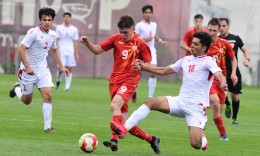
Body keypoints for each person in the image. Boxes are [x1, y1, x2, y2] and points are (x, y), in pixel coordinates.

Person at [110, 32, 228, 152]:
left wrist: (223, 82)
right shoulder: (185, 60)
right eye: (192, 43)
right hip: (179, 102)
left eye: (195, 44)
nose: (191, 45)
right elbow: (164, 70)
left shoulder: (209, 61)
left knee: (195, 144)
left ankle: (203, 141)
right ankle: (124, 128)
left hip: (195, 109)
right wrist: (144, 67)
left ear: (204, 48)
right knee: (150, 102)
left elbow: (219, 74)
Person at [80, 15, 161, 154]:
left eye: (126, 32)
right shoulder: (115, 38)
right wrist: (87, 43)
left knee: (114, 105)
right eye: (121, 32)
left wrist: (141, 65)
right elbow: (98, 50)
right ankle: (152, 139)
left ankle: (114, 140)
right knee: (124, 122)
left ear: (133, 29)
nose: (123, 35)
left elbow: (148, 63)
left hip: (130, 80)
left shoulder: (141, 43)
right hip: (114, 81)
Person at [9, 7, 70, 133]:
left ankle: (47, 127)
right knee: (27, 101)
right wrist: (27, 66)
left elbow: (54, 51)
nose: (47, 22)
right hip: (27, 71)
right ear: (40, 20)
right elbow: (21, 49)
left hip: (43, 70)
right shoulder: (33, 33)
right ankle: (16, 89)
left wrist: (62, 66)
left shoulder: (53, 35)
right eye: (44, 19)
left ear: (52, 21)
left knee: (48, 95)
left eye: (49, 20)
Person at [207, 18, 238, 140]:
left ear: (218, 30)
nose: (212, 33)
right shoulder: (203, 43)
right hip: (208, 79)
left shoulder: (224, 43)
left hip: (221, 79)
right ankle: (199, 120)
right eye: (209, 30)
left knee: (218, 108)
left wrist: (234, 73)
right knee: (214, 101)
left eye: (214, 30)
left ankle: (222, 134)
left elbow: (233, 58)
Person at [133, 5, 168, 102]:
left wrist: (161, 41)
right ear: (143, 14)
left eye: (149, 12)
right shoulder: (139, 25)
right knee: (137, 71)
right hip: (140, 51)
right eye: (146, 12)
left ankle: (150, 97)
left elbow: (154, 35)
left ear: (152, 14)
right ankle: (134, 90)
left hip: (151, 50)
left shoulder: (154, 25)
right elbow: (134, 38)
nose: (148, 14)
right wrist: (145, 39)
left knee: (153, 71)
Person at [219, 18, 250, 124]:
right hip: (221, 72)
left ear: (228, 26)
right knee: (223, 95)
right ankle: (227, 105)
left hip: (234, 71)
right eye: (220, 26)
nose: (221, 28)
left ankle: (234, 118)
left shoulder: (235, 38)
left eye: (224, 26)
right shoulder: (216, 40)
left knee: (235, 97)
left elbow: (245, 50)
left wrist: (247, 59)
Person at [55, 12, 79, 91]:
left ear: (70, 18)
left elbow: (75, 41)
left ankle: (67, 87)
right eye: (65, 17)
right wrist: (57, 50)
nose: (66, 18)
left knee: (69, 68)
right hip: (61, 51)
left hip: (70, 51)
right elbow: (57, 40)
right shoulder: (59, 28)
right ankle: (58, 78)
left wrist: (76, 53)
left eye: (68, 17)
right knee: (61, 68)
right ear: (63, 18)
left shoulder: (74, 29)